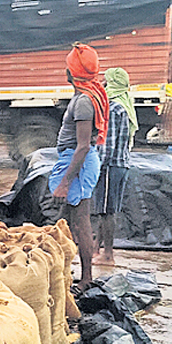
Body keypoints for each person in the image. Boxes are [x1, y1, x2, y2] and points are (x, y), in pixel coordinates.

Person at [48, 43, 108, 293]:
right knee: (69, 219)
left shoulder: (83, 101)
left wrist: (65, 182)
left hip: (79, 164)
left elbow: (82, 146)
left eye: (68, 66)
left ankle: (86, 278)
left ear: (72, 72)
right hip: (75, 161)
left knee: (81, 222)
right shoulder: (86, 95)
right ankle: (66, 270)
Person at [91, 67, 136, 266]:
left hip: (110, 166)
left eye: (106, 80)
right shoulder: (125, 104)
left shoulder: (112, 107)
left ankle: (108, 255)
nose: (102, 83)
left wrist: (96, 167)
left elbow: (106, 145)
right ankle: (96, 248)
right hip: (121, 165)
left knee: (106, 211)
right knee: (106, 209)